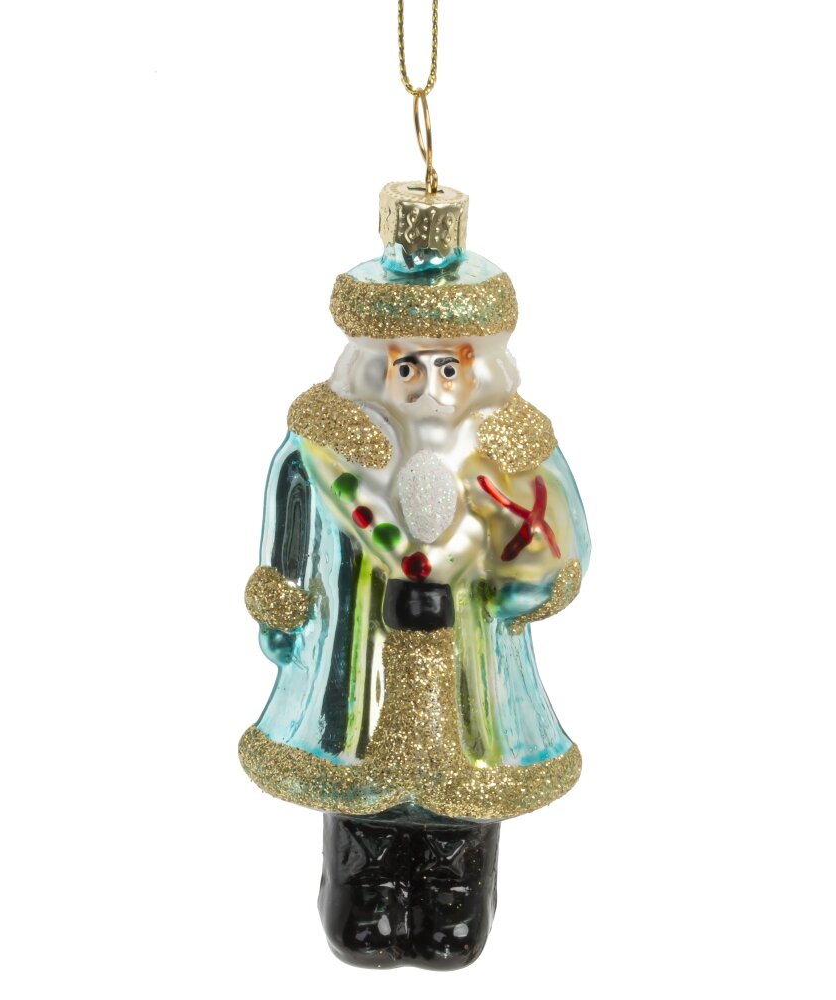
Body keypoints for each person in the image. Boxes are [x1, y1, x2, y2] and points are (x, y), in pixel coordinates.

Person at [239, 182, 590, 969]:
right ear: (373, 366)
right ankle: (363, 888)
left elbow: (557, 539)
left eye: (448, 367)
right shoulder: (323, 449)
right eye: (408, 367)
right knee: (358, 791)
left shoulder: (509, 451)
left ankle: (453, 890)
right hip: (358, 677)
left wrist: (536, 580)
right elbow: (287, 531)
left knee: (463, 803)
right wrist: (283, 605)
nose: (430, 386)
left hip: (469, 682)